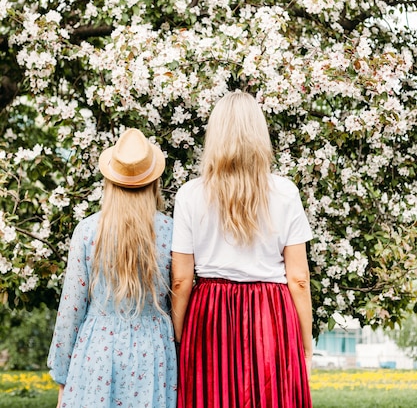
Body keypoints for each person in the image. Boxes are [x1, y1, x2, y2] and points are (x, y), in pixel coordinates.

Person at [171, 91, 313, 408]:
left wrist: (179, 337)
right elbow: (299, 279)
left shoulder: (189, 195)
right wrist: (305, 343)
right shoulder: (285, 192)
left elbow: (181, 280)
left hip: (209, 313)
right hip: (271, 313)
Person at [48, 128, 177, 408]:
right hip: (153, 351)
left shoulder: (88, 230)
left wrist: (62, 376)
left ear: (109, 181)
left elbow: (71, 309)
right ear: (154, 182)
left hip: (97, 350)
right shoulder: (170, 231)